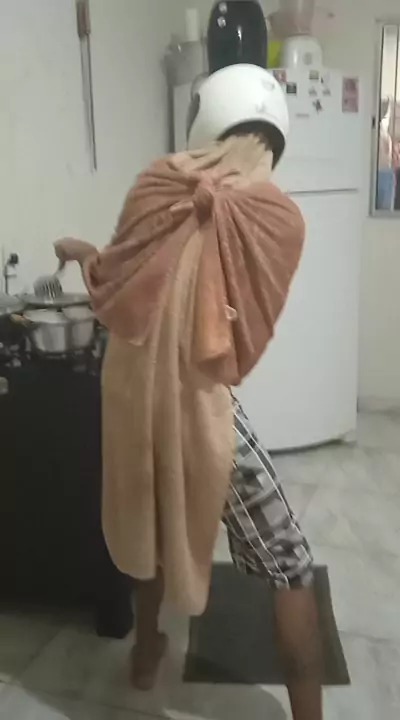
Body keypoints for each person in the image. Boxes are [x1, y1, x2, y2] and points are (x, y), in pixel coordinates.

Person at [55, 64, 323, 720]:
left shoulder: (156, 181)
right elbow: (232, 335)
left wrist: (85, 253)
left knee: (151, 514)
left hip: (129, 394)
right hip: (199, 407)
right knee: (290, 562)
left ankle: (147, 652)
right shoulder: (278, 216)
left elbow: (119, 281)